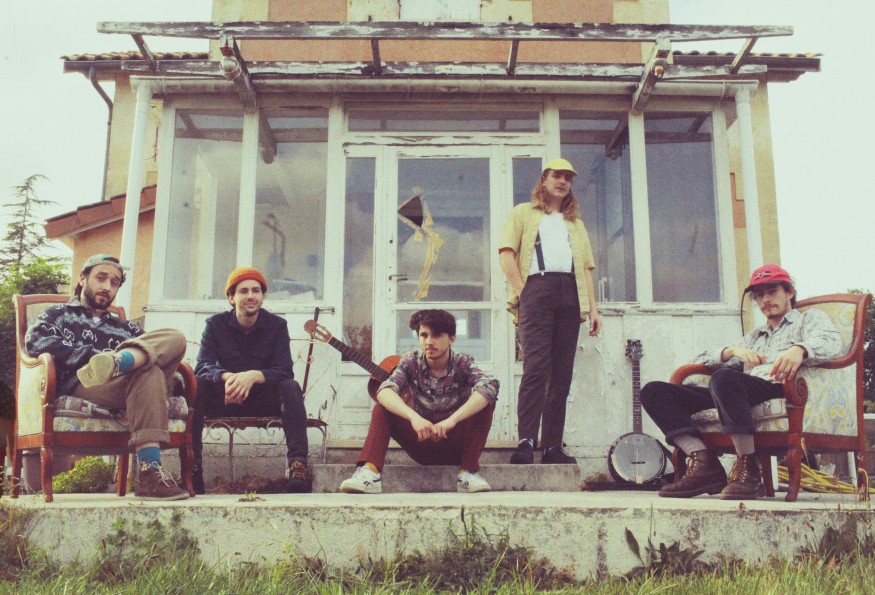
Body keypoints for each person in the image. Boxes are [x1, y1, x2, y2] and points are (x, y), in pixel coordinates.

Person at [640, 264, 842, 500]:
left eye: (772, 291)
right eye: (759, 295)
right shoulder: (755, 336)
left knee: (724, 378)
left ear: (789, 292)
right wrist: (731, 351)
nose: (765, 300)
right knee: (654, 392)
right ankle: (705, 463)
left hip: (778, 386)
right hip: (737, 390)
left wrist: (800, 349)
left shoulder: (808, 319)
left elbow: (832, 342)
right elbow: (699, 360)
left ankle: (748, 471)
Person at [25, 254, 190, 500]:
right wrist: (94, 357)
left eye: (114, 283)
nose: (107, 287)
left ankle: (120, 362)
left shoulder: (125, 328)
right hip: (84, 384)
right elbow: (36, 343)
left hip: (130, 383)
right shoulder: (58, 315)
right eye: (101, 278)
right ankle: (150, 473)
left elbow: (161, 351)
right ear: (83, 278)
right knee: (150, 370)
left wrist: (121, 362)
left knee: (175, 338)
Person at [498, 158, 601, 465]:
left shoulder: (575, 223)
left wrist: (593, 309)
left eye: (568, 178)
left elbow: (586, 268)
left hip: (570, 293)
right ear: (544, 180)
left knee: (562, 374)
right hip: (537, 289)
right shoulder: (522, 213)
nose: (562, 182)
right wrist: (524, 292)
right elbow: (506, 254)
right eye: (557, 176)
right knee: (536, 368)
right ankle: (526, 442)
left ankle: (553, 446)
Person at [339, 309, 500, 494]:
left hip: (454, 444)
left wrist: (451, 421)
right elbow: (384, 390)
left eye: (437, 335)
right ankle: (369, 473)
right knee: (382, 407)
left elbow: (490, 385)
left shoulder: (462, 363)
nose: (429, 341)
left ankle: (468, 473)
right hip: (420, 442)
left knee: (485, 401)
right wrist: (414, 418)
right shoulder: (411, 361)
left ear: (452, 338)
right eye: (424, 335)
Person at [193, 267, 310, 493]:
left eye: (256, 291)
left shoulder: (277, 326)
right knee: (198, 384)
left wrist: (254, 376)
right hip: (226, 399)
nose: (250, 296)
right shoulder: (215, 325)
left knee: (290, 387)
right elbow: (203, 366)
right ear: (231, 297)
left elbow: (284, 370)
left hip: (262, 400)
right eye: (243, 291)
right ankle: (193, 468)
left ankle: (298, 466)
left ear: (263, 296)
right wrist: (229, 377)